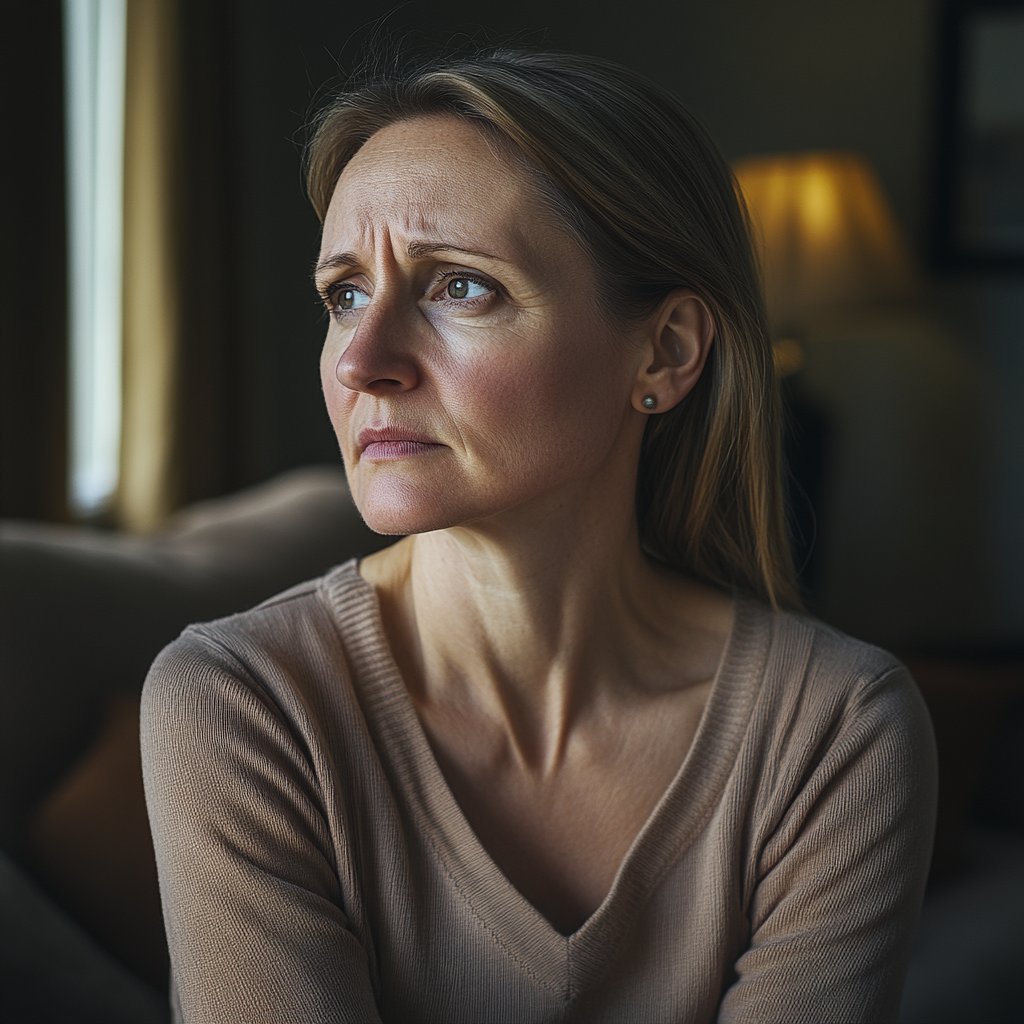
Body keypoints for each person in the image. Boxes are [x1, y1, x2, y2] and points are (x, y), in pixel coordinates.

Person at [141, 48, 937, 1023]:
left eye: (458, 287)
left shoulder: (833, 732)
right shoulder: (242, 703)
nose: (362, 360)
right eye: (343, 294)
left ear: (665, 350)